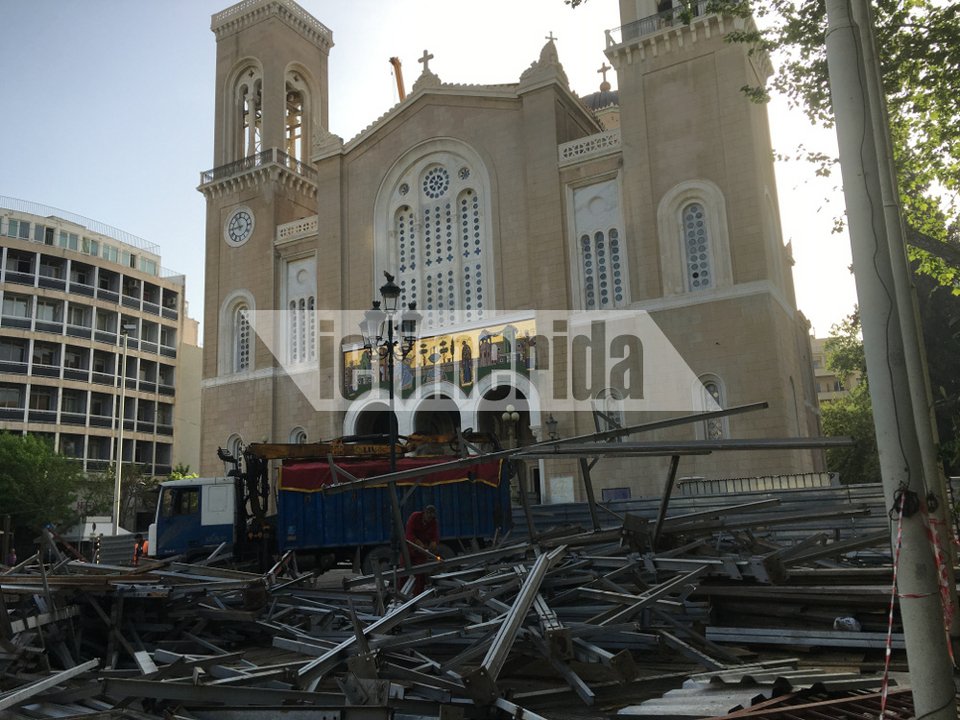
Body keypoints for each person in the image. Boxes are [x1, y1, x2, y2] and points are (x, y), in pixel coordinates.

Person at [404, 505, 439, 593]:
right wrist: (417, 542)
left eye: (432, 517)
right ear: (425, 513)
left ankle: (417, 595)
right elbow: (409, 534)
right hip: (409, 549)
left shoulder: (433, 522)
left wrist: (434, 542)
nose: (429, 519)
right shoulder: (415, 517)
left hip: (421, 552)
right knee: (404, 571)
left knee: (420, 573)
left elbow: (435, 535)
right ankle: (401, 594)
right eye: (428, 516)